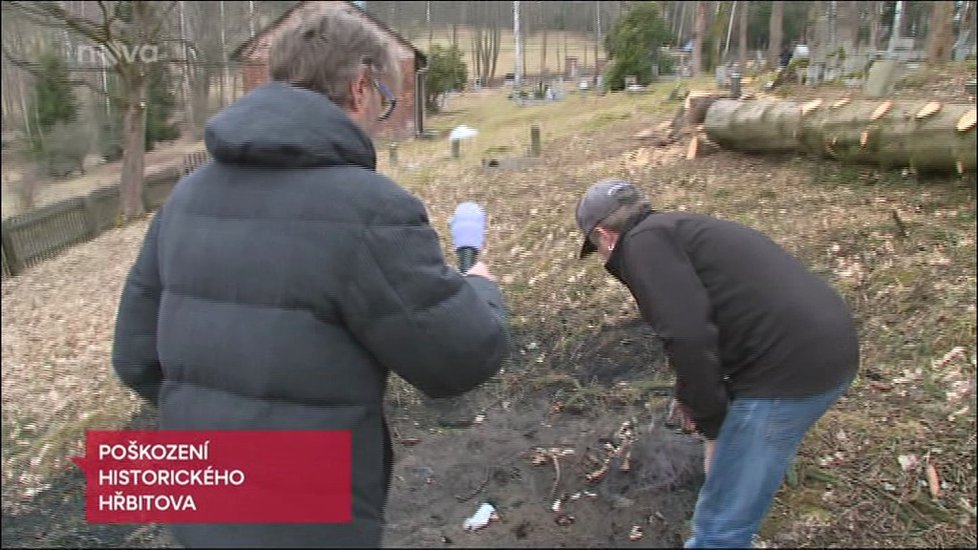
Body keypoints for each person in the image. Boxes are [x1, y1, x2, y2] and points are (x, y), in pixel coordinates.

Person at [112, 9, 510, 548]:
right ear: (361, 85)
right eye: (386, 100)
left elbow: (134, 359)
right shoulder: (367, 208)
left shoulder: (185, 198)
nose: (380, 116)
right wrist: (480, 286)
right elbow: (460, 359)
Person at [574, 180, 859, 548]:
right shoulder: (677, 229)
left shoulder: (643, 245)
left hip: (792, 369)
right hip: (824, 346)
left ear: (604, 236)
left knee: (719, 529)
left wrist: (714, 426)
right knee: (747, 455)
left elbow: (687, 335)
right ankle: (757, 468)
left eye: (595, 249)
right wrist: (692, 394)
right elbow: (714, 319)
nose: (602, 258)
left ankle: (744, 487)